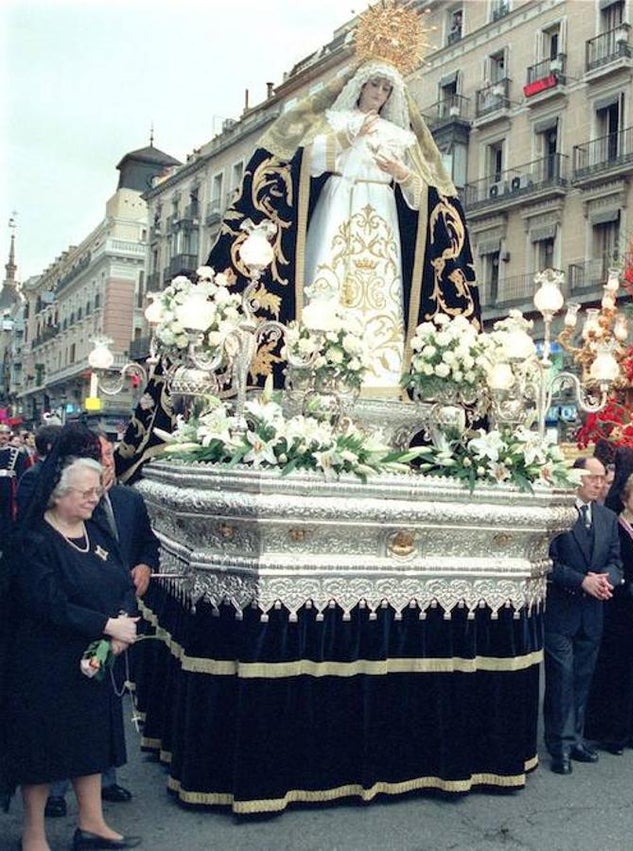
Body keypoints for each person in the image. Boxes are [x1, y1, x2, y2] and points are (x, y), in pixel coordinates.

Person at [116, 33, 481, 481]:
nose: (380, 96)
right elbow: (306, 165)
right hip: (339, 215)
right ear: (360, 87)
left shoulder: (398, 135)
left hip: (380, 219)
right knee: (330, 285)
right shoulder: (337, 120)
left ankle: (380, 374)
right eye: (374, 87)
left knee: (383, 296)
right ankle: (318, 364)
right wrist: (346, 139)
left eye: (387, 90)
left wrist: (401, 172)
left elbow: (419, 198)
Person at [1, 456, 142, 850]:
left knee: (91, 743)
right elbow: (46, 603)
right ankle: (33, 835)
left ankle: (92, 824)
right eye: (85, 493)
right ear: (57, 495)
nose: (94, 499)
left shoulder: (94, 532)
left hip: (93, 661)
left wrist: (122, 623)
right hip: (45, 662)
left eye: (97, 491)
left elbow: (120, 579)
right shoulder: (33, 539)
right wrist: (106, 625)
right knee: (41, 750)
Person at [543, 456, 622, 775]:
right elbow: (547, 563)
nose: (600, 483)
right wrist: (582, 581)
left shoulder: (607, 517)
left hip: (593, 612)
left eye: (603, 478)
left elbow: (616, 561)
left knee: (582, 677)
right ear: (577, 478)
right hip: (561, 611)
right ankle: (558, 745)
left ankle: (576, 738)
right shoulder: (557, 514)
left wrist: (606, 580)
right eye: (593, 477)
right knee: (561, 679)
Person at [586, 472, 633, 755]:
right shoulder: (615, 527)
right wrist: (626, 587)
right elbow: (612, 564)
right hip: (620, 610)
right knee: (619, 669)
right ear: (625, 499)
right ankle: (613, 731)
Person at [0, 422, 32, 553]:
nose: (4, 436)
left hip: (8, 488)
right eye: (1, 433)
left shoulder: (17, 453)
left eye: (6, 433)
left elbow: (22, 474)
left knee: (8, 516)